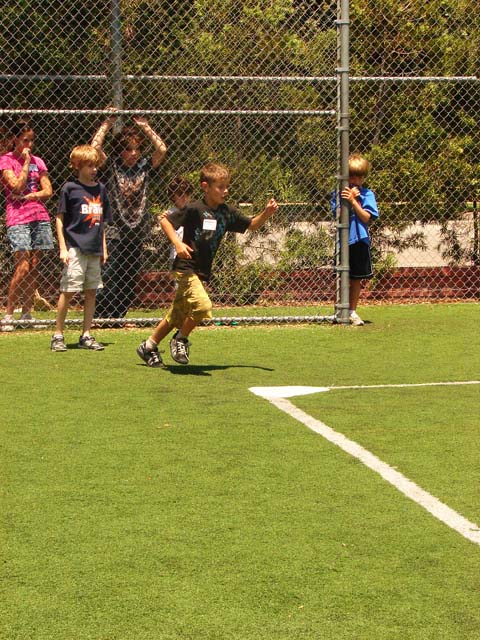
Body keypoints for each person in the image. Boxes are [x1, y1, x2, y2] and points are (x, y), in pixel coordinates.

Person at [136, 162, 278, 367]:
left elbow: (252, 225)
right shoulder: (194, 209)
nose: (225, 191)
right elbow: (165, 221)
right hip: (185, 267)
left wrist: (267, 212)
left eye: (227, 186)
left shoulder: (226, 212)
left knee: (177, 314)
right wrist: (177, 244)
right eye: (220, 187)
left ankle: (148, 346)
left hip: (201, 271)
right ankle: (180, 339)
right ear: (205, 187)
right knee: (203, 306)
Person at [91, 112, 167, 321]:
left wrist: (145, 126)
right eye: (128, 149)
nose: (133, 153)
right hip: (114, 229)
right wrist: (107, 124)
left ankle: (118, 316)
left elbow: (162, 149)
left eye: (137, 149)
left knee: (129, 275)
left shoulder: (144, 166)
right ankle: (100, 315)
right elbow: (95, 149)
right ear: (120, 150)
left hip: (137, 230)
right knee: (109, 272)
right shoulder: (112, 165)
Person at [50, 145, 111, 352]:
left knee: (91, 291)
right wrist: (63, 247)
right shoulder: (70, 188)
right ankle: (58, 334)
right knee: (68, 290)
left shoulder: (101, 189)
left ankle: (86, 334)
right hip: (75, 247)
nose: (94, 170)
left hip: (94, 249)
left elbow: (101, 223)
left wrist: (103, 247)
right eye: (89, 166)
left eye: (95, 165)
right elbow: (60, 219)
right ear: (77, 166)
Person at [0, 120, 54, 332]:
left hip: (39, 215)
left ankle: (26, 313)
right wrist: (25, 162)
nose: (29, 145)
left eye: (32, 140)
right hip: (18, 217)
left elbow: (48, 190)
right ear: (15, 139)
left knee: (34, 266)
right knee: (22, 267)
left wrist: (31, 196)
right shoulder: (6, 160)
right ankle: (8, 315)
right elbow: (16, 185)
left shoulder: (39, 162)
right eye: (25, 140)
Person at [331, 153, 379, 325]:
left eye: (359, 176)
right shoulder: (338, 194)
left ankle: (352, 311)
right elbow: (337, 215)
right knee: (340, 276)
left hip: (360, 240)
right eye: (352, 176)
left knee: (356, 278)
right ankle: (339, 310)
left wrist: (354, 201)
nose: (355, 180)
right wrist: (346, 199)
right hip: (343, 242)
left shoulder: (367, 195)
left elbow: (366, 217)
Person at [165, 176, 195, 271]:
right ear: (173, 197)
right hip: (177, 255)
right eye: (180, 194)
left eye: (187, 194)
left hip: (194, 255)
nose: (184, 198)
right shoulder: (170, 213)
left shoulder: (194, 211)